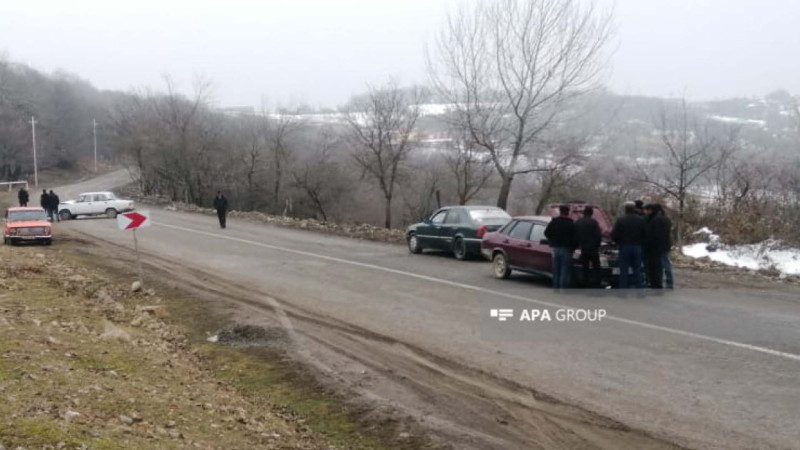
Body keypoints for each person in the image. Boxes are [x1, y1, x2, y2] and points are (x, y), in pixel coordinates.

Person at [611, 201, 646, 289]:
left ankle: (623, 291)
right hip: (637, 247)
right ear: (634, 209)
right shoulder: (640, 220)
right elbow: (645, 233)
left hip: (625, 246)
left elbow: (614, 234)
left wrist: (617, 242)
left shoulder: (621, 219)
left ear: (625, 209)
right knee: (637, 270)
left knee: (623, 270)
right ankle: (640, 292)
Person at [544, 205, 575, 291]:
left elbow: (546, 232)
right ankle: (563, 288)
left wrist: (552, 240)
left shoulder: (554, 222)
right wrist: (573, 247)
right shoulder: (571, 223)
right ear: (567, 212)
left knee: (556, 269)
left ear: (560, 212)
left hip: (555, 248)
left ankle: (555, 287)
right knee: (565, 269)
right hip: (566, 249)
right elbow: (575, 237)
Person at [574, 205, 602, 288]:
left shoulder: (578, 222)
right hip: (593, 248)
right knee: (596, 267)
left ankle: (585, 284)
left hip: (583, 248)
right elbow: (598, 236)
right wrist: (597, 245)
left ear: (584, 213)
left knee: (585, 267)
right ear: (591, 213)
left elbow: (575, 235)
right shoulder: (594, 222)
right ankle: (596, 285)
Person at [642, 204, 664, 288]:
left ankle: (656, 285)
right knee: (655, 267)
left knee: (655, 267)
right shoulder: (657, 218)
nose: (646, 212)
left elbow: (653, 234)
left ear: (651, 210)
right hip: (655, 247)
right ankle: (655, 284)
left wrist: (646, 241)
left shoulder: (655, 220)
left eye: (647, 210)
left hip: (653, 247)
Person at [657, 204, 675, 289]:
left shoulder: (657, 220)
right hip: (666, 244)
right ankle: (669, 281)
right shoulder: (667, 219)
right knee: (666, 263)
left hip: (659, 245)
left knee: (661, 264)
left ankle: (660, 281)